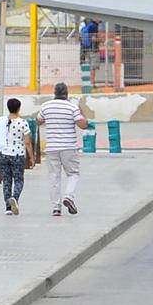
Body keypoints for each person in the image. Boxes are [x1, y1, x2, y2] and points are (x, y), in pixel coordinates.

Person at [38, 82, 87, 217]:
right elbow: (82, 125)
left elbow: (38, 120)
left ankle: (56, 207)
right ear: (67, 94)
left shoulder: (45, 106)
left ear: (55, 93)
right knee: (73, 173)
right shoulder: (72, 107)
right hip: (69, 147)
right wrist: (82, 113)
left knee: (54, 177)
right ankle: (68, 197)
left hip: (52, 147)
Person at [0, 97, 31, 215]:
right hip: (18, 154)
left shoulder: (0, 122)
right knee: (19, 179)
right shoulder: (22, 122)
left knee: (7, 180)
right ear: (19, 108)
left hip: (3, 154)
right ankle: (15, 197)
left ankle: (8, 207)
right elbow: (27, 142)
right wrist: (32, 157)